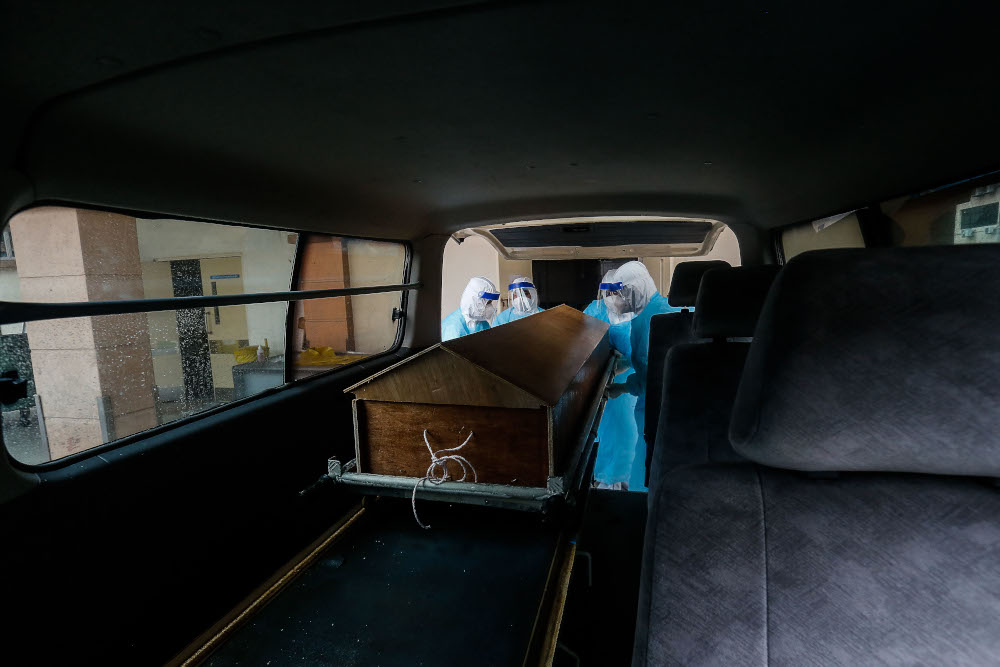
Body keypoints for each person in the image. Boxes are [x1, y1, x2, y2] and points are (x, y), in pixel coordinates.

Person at [604, 261, 681, 491]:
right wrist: (627, 363)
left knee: (647, 475)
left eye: (621, 294)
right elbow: (648, 357)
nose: (618, 301)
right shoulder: (647, 313)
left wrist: (623, 387)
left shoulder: (657, 318)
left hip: (660, 412)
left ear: (636, 289)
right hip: (654, 410)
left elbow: (654, 377)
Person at [584, 271, 638, 489]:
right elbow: (580, 344)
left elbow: (649, 353)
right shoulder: (595, 311)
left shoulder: (642, 313)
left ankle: (630, 487)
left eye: (619, 292)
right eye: (610, 293)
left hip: (633, 391)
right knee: (605, 437)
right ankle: (602, 483)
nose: (614, 298)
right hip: (602, 388)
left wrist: (626, 364)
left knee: (631, 437)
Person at [441, 277, 500, 341]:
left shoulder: (482, 322)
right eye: (488, 303)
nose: (491, 307)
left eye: (491, 302)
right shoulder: (453, 326)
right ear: (475, 301)